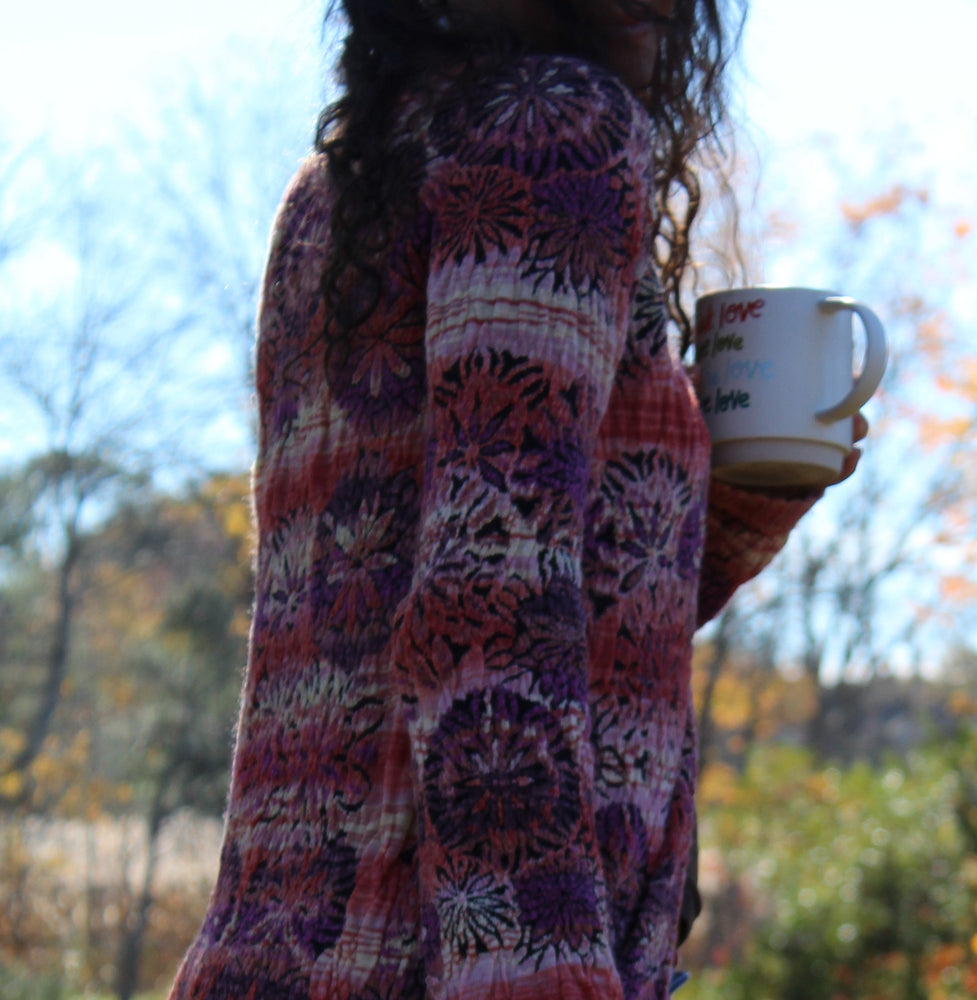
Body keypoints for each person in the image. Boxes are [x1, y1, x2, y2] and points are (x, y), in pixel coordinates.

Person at [168, 0, 868, 997]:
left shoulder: (332, 190)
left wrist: (743, 503)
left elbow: (465, 593)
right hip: (445, 965)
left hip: (271, 955)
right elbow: (485, 614)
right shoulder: (551, 129)